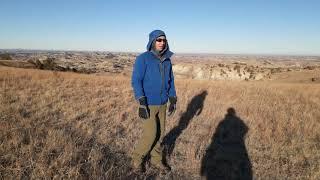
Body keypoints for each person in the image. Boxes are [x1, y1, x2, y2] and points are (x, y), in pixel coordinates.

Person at [131, 30, 177, 172]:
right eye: (159, 40)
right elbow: (136, 80)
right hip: (148, 104)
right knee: (151, 134)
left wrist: (173, 98)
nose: (162, 42)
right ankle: (137, 160)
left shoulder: (167, 60)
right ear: (152, 41)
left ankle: (156, 160)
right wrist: (142, 101)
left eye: (164, 40)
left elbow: (171, 80)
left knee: (160, 133)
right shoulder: (143, 59)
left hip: (163, 103)